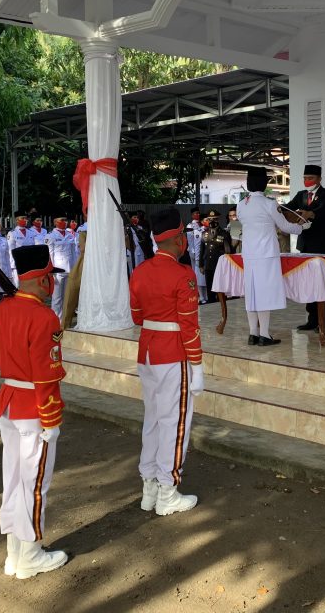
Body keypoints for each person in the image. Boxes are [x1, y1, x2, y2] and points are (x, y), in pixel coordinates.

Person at [0, 244, 69, 577]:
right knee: (35, 483)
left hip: (8, 402)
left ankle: (14, 553)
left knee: (14, 480)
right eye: (50, 275)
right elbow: (46, 375)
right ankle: (31, 553)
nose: (53, 282)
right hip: (34, 407)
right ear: (42, 279)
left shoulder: (2, 310)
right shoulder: (43, 316)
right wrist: (51, 417)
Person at [128, 208, 205, 516]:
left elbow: (136, 315)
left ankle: (149, 487)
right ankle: (168, 492)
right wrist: (197, 366)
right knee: (174, 423)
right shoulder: (182, 275)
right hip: (173, 353)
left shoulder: (140, 271)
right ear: (176, 238)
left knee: (154, 420)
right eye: (182, 235)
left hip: (147, 351)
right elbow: (189, 325)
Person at [237, 167, 307, 346]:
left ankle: (253, 333)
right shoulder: (270, 203)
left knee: (251, 294)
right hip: (266, 254)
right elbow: (284, 226)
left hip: (249, 254)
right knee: (264, 294)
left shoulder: (241, 204)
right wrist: (302, 228)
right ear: (264, 183)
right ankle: (265, 335)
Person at [285, 164, 325, 332]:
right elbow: (289, 208)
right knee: (309, 283)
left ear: (319, 179)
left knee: (323, 283)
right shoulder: (300, 195)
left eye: (311, 178)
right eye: (305, 178)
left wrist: (309, 213)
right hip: (305, 244)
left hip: (322, 244)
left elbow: (322, 211)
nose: (307, 181)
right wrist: (276, 209)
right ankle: (312, 320)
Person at [60, 215, 87, 331]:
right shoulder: (83, 230)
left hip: (80, 264)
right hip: (75, 265)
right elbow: (81, 249)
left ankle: (66, 324)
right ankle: (62, 324)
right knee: (60, 297)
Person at [199, 210, 232, 300]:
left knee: (220, 290)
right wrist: (201, 265)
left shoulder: (224, 234)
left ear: (218, 220)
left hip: (220, 266)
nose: (212, 222)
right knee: (210, 290)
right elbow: (201, 250)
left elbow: (228, 251)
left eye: (215, 219)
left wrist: (227, 266)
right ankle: (211, 306)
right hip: (208, 265)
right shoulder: (204, 234)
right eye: (210, 219)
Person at [45, 217, 75, 318]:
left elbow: (73, 253)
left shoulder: (70, 235)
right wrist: (50, 270)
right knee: (57, 297)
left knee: (67, 297)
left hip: (69, 269)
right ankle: (56, 319)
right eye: (61, 220)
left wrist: (74, 268)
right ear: (55, 222)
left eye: (65, 220)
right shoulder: (51, 236)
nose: (64, 222)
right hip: (57, 270)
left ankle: (65, 320)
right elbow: (49, 254)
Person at [186, 209, 207, 303]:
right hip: (194, 252)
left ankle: (203, 296)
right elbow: (190, 240)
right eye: (195, 213)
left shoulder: (202, 224)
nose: (197, 215)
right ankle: (200, 296)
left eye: (199, 213)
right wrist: (193, 251)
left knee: (201, 274)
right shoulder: (190, 226)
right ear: (192, 215)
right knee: (196, 273)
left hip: (202, 253)